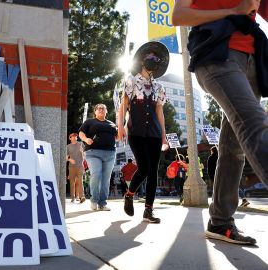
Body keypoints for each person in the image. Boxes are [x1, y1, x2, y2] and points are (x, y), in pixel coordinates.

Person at [173, 0, 268, 245]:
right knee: (255, 125)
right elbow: (179, 15)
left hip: (252, 62)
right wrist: (233, 11)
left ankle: (220, 221)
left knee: (233, 149)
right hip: (218, 55)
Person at [118, 41, 169, 223]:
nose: (153, 60)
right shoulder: (130, 81)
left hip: (154, 133)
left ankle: (149, 210)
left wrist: (163, 135)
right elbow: (123, 106)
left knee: (153, 171)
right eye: (149, 57)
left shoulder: (159, 87)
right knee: (144, 168)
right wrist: (120, 128)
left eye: (156, 58)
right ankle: (129, 194)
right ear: (142, 61)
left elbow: (159, 111)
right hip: (135, 130)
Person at [79, 104, 118, 211]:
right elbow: (81, 133)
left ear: (106, 111)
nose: (101, 109)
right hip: (93, 152)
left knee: (106, 179)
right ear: (95, 112)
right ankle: (94, 200)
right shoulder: (89, 122)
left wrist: (124, 128)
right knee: (96, 174)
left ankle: (102, 203)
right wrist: (86, 140)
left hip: (110, 153)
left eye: (103, 108)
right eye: (98, 108)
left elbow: (118, 137)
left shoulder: (112, 124)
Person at [66, 133, 86, 203]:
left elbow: (85, 155)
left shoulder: (81, 144)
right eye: (73, 136)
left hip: (80, 166)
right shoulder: (68, 146)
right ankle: (72, 197)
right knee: (72, 183)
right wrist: (69, 160)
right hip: (71, 167)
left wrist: (82, 152)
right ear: (70, 138)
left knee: (80, 182)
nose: (74, 137)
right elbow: (65, 157)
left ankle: (81, 197)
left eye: (75, 136)